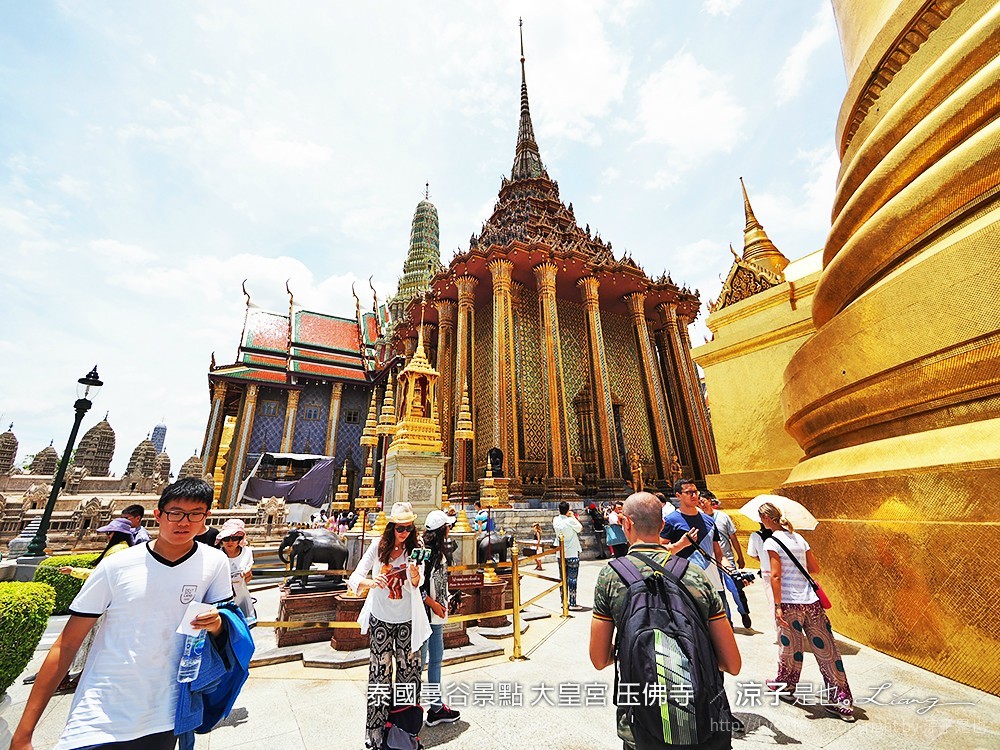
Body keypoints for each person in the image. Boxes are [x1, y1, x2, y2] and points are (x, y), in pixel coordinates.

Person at [13, 478, 236, 750]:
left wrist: (215, 624)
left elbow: (228, 625)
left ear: (206, 519)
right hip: (99, 716)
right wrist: (23, 733)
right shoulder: (116, 566)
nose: (184, 522)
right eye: (175, 513)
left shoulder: (214, 563)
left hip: (165, 714)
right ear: (158, 515)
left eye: (194, 515)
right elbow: (67, 644)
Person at [590, 492, 741, 750]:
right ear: (663, 525)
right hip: (706, 720)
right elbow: (732, 663)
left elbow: (599, 659)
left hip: (641, 726)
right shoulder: (695, 574)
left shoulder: (611, 576)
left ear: (625, 523)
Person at [759, 501, 854, 721]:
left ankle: (785, 685)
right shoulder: (799, 538)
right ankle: (842, 700)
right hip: (811, 602)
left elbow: (775, 575)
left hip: (790, 603)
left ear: (766, 519)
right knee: (827, 651)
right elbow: (814, 568)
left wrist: (778, 606)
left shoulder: (771, 541)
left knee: (791, 648)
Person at [348, 502, 432, 749]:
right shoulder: (378, 546)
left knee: (409, 677)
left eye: (408, 528)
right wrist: (371, 582)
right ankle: (375, 732)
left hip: (408, 620)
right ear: (391, 528)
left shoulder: (417, 549)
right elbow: (355, 577)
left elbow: (418, 582)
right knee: (379, 677)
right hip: (381, 619)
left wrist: (414, 572)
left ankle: (404, 732)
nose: (404, 533)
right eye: (400, 528)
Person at [661, 479, 729, 621]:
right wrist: (680, 544)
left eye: (695, 492)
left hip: (714, 582)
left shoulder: (709, 521)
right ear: (678, 495)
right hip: (687, 581)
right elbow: (659, 550)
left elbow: (718, 553)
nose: (694, 495)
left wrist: (730, 570)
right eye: (688, 492)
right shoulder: (671, 520)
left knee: (723, 622)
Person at [419, 510, 461, 727]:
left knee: (436, 659)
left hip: (437, 616)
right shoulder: (424, 554)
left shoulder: (442, 553)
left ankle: (436, 708)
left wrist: (449, 600)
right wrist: (434, 604)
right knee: (419, 662)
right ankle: (409, 711)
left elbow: (439, 585)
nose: (450, 529)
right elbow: (417, 589)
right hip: (425, 616)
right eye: (448, 526)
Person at [700, 493, 751, 629]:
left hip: (727, 559)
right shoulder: (699, 519)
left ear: (710, 501)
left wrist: (740, 556)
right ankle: (727, 620)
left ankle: (744, 611)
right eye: (699, 502)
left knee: (735, 587)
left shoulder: (723, 517)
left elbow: (733, 538)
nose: (701, 504)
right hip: (711, 561)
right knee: (719, 591)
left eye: (703, 501)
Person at [216, 519, 256, 627]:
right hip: (224, 600)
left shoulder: (247, 552)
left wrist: (247, 574)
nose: (230, 542)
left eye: (234, 538)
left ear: (240, 540)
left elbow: (248, 575)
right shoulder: (216, 556)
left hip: (242, 598)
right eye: (226, 538)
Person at [552, 501, 584, 610]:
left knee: (563, 578)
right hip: (572, 553)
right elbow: (580, 528)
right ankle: (572, 602)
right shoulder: (570, 521)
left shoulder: (555, 520)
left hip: (560, 553)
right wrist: (573, 517)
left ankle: (563, 601)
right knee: (572, 579)